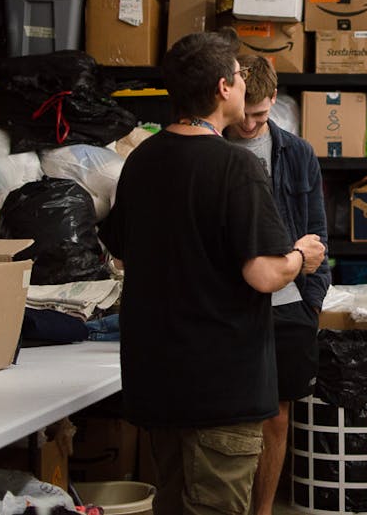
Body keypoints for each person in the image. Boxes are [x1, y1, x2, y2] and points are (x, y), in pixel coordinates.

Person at [99, 29, 326, 515]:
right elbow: (264, 274)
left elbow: (121, 255)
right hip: (220, 388)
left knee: (175, 504)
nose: (245, 85)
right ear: (224, 88)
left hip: (158, 383)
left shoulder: (141, 159)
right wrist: (301, 257)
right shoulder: (235, 167)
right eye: (241, 77)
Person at [226, 54, 331, 515]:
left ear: (273, 101)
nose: (251, 124)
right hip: (226, 305)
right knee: (227, 417)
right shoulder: (213, 149)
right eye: (244, 113)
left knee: (276, 416)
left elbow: (317, 231)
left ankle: (263, 511)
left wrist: (310, 302)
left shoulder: (297, 152)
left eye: (261, 114)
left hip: (288, 304)